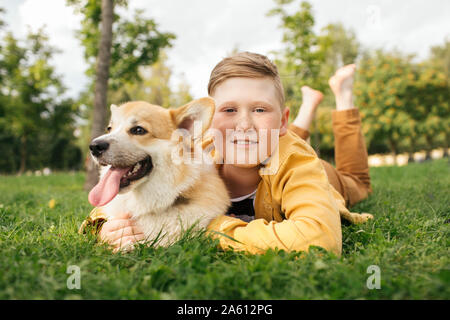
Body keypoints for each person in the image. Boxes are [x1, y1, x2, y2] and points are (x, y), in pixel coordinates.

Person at [81, 52, 372, 255]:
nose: (243, 123)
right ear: (210, 121)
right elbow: (117, 195)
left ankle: (342, 96)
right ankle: (307, 107)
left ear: (281, 119)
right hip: (272, 138)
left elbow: (319, 241)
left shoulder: (299, 163)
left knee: (356, 181)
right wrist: (105, 226)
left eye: (259, 109)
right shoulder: (193, 148)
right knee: (259, 136)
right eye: (229, 110)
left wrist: (209, 227)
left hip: (315, 169)